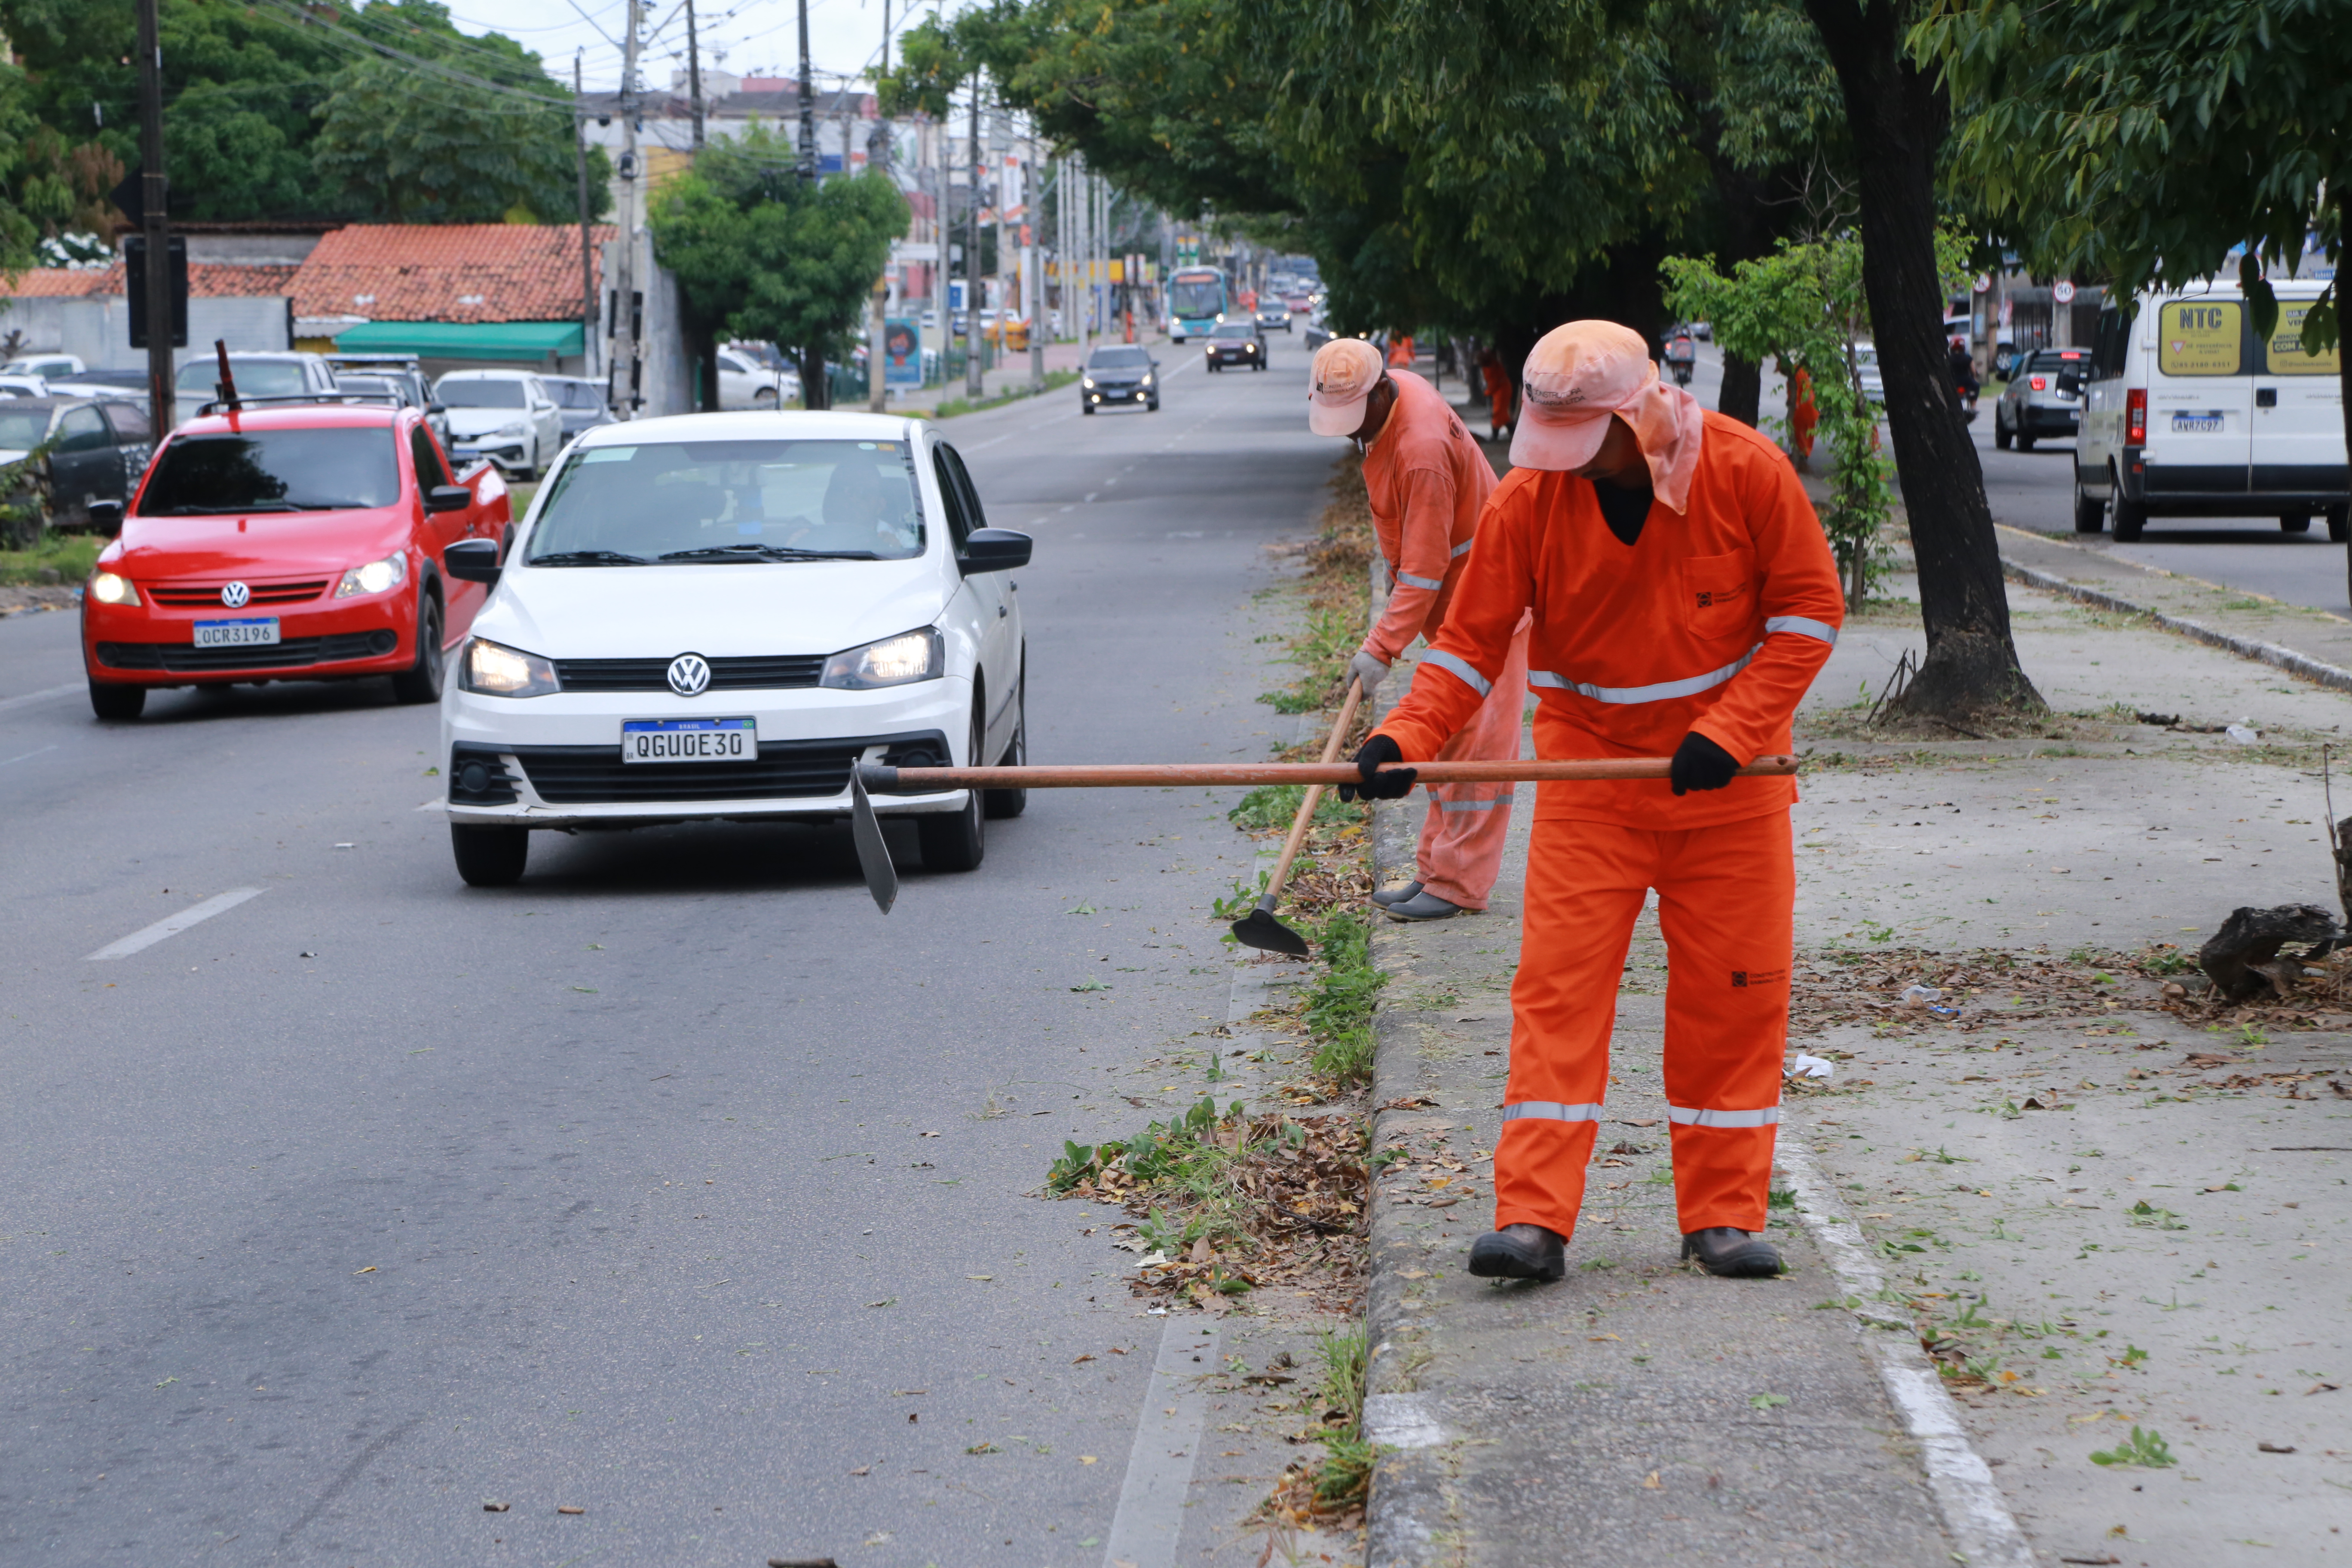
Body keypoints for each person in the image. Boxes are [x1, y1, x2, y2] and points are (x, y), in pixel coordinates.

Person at [1341, 320, 1844, 1281]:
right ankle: (1533, 1221)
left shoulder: (1746, 473)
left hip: (1729, 795)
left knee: (1733, 1002)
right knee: (1558, 999)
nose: (1564, 465)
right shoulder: (1530, 499)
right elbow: (1468, 645)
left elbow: (1809, 615)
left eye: (1585, 444)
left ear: (1643, 415)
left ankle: (1723, 1218)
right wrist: (1406, 735)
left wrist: (1729, 734)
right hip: (1591, 790)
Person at [1306, 337, 1527, 922]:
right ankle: (1435, 869)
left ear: (1381, 391)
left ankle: (1458, 885)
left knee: (1480, 754)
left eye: (1357, 420)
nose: (1353, 435)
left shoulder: (1421, 450)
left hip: (1489, 605)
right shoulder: (1393, 405)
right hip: (1454, 607)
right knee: (1450, 741)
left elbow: (1425, 570)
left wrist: (1380, 648)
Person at [1480, 349, 1513, 442]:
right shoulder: (1492, 366)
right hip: (1502, 390)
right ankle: (1512, 433)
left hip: (1502, 391)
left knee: (1498, 412)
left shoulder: (1491, 368)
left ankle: (1495, 436)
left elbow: (1493, 384)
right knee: (1503, 414)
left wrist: (1487, 393)